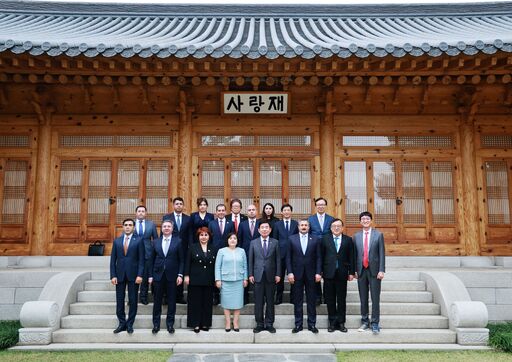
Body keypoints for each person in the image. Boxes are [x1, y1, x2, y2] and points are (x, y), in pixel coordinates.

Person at [109, 218, 144, 334]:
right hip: (119, 276)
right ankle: (121, 323)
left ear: (133, 227)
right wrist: (113, 275)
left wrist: (140, 274)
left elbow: (141, 260)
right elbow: (113, 260)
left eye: (130, 225)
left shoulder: (139, 240)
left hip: (134, 276)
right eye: (126, 225)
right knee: (120, 301)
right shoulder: (117, 241)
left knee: (133, 301)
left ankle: (130, 324)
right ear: (123, 227)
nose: (128, 227)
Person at [148, 220, 184, 334]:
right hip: (158, 275)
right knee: (157, 301)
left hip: (172, 276)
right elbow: (151, 260)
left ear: (172, 228)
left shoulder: (178, 241)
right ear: (161, 228)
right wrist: (150, 275)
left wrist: (180, 274)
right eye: (164, 226)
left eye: (169, 226)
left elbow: (181, 260)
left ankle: (170, 325)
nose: (167, 228)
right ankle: (156, 325)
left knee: (172, 301)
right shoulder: (155, 242)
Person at [286, 219, 321, 333]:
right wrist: (290, 272)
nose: (304, 227)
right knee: (298, 300)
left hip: (311, 274)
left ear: (309, 227)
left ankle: (312, 324)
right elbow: (288, 258)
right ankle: (298, 324)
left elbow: (318, 257)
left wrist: (318, 272)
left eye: (306, 225)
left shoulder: (315, 239)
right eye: (302, 225)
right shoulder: (291, 239)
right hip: (296, 274)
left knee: (311, 300)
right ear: (298, 226)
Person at [354, 211, 386, 335]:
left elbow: (382, 253)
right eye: (363, 219)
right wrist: (354, 270)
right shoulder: (356, 236)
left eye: (367, 219)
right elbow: (355, 255)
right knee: (363, 298)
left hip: (374, 271)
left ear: (371, 221)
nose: (365, 220)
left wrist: (382, 270)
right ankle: (365, 321)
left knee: (375, 298)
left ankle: (375, 323)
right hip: (361, 271)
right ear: (360, 221)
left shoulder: (378, 235)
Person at [321, 218, 355, 333]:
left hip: (342, 273)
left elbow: (352, 257)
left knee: (341, 299)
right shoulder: (325, 239)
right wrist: (320, 271)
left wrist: (351, 272)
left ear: (342, 228)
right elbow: (321, 257)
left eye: (339, 226)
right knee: (330, 299)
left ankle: (341, 323)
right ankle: (332, 322)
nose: (336, 228)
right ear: (331, 228)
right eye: (334, 226)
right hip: (328, 273)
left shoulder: (348, 240)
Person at [248, 221, 281, 333]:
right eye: (262, 227)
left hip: (271, 276)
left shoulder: (275, 242)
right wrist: (250, 274)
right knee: (258, 301)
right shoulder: (253, 242)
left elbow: (278, 260)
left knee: (270, 301)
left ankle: (270, 323)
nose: (265, 229)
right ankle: (259, 323)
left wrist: (278, 274)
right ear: (258, 230)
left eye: (267, 227)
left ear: (270, 230)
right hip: (257, 276)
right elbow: (251, 260)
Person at [184, 227, 216, 333]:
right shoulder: (192, 247)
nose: (203, 237)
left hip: (209, 279)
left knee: (207, 302)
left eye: (206, 235)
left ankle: (206, 323)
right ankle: (195, 324)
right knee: (195, 302)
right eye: (201, 235)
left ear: (209, 236)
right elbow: (187, 262)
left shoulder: (214, 248)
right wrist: (186, 275)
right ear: (198, 236)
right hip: (195, 279)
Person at [215, 232, 248, 332]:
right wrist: (218, 279)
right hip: (226, 281)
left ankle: (236, 322)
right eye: (230, 238)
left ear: (237, 241)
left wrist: (245, 278)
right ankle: (228, 322)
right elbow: (217, 266)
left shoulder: (242, 251)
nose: (232, 240)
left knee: (238, 303)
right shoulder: (221, 251)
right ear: (227, 240)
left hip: (238, 281)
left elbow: (245, 266)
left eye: (234, 238)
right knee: (226, 303)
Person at [163, 197, 192, 304]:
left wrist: (191, 247)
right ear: (173, 205)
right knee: (169, 271)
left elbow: (190, 234)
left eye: (181, 204)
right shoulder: (167, 217)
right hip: (170, 248)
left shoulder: (188, 218)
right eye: (177, 204)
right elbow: (164, 232)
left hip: (183, 249)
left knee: (180, 271)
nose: (179, 205)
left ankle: (179, 296)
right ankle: (166, 296)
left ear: (183, 206)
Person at [308, 197, 334, 305]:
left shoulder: (331, 219)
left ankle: (328, 296)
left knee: (327, 273)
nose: (320, 206)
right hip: (314, 249)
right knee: (316, 273)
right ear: (316, 206)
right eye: (318, 204)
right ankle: (318, 296)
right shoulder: (310, 219)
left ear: (326, 206)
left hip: (328, 249)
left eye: (322, 204)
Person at [208, 203, 234, 305]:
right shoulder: (211, 223)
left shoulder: (230, 223)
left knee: (227, 273)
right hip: (215, 251)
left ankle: (226, 296)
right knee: (216, 273)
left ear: (226, 212)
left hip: (227, 251)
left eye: (223, 210)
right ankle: (215, 296)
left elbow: (233, 237)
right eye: (219, 210)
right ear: (216, 212)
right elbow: (209, 238)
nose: (221, 212)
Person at [273, 203, 298, 305]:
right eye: (285, 210)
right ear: (282, 212)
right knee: (280, 276)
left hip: (294, 254)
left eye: (288, 210)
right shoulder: (277, 224)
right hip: (281, 254)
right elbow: (274, 239)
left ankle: (293, 298)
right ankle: (279, 297)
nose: (287, 212)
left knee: (294, 277)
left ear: (291, 212)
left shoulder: (296, 224)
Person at [133, 205, 158, 305]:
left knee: (145, 275)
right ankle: (132, 298)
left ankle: (143, 297)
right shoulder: (131, 224)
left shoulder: (151, 224)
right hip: (134, 252)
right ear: (136, 213)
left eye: (143, 211)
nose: (141, 213)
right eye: (139, 211)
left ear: (146, 213)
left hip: (148, 252)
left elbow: (155, 238)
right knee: (134, 276)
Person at [237, 204, 260, 304]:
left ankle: (257, 299)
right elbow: (239, 240)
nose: (251, 211)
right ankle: (245, 298)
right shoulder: (242, 224)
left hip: (259, 254)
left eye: (253, 210)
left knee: (258, 276)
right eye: (249, 210)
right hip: (245, 253)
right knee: (245, 275)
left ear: (256, 211)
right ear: (247, 212)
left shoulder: (261, 223)